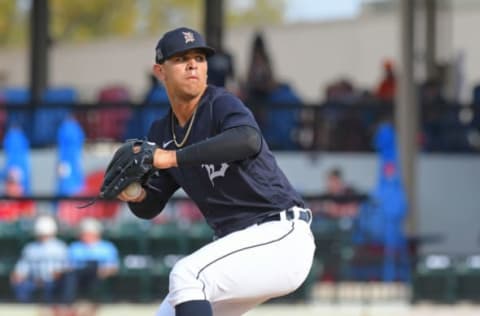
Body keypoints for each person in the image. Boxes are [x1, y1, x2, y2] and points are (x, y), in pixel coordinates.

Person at [116, 27, 315, 316]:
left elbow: (247, 140)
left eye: (199, 57)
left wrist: (171, 158)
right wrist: (134, 193)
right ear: (160, 71)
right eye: (181, 59)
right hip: (239, 246)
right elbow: (151, 205)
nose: (193, 64)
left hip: (279, 234)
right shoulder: (161, 131)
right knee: (169, 311)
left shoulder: (219, 103)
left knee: (187, 275)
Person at [10, 215, 70, 315]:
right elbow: (21, 268)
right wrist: (18, 275)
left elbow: (66, 268)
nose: (43, 236)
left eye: (46, 234)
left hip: (53, 282)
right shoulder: (30, 248)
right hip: (33, 281)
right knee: (20, 286)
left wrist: (56, 275)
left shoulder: (60, 247)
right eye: (41, 234)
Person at [65, 218, 119, 316]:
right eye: (84, 233)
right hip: (78, 276)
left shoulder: (107, 247)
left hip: (98, 276)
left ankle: (93, 306)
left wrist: (104, 271)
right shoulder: (75, 246)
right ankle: (70, 307)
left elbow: (113, 267)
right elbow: (69, 265)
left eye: (89, 233)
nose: (86, 236)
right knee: (70, 278)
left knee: (94, 270)